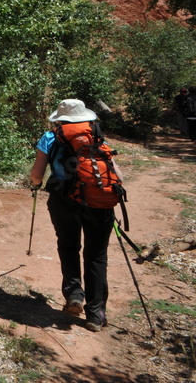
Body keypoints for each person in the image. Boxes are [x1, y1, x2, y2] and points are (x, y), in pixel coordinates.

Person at [29, 99, 118, 333]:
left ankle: (74, 295)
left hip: (63, 202)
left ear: (59, 119)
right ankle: (96, 315)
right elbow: (116, 174)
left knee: (68, 247)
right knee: (96, 256)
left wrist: (35, 184)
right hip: (99, 205)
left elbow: (37, 174)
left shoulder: (50, 138)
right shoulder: (96, 137)